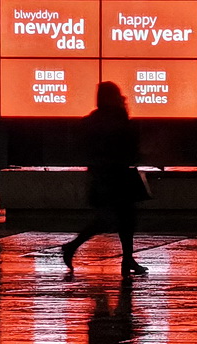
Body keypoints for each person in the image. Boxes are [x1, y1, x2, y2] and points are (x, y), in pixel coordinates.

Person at [61, 81, 148, 276]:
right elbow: (130, 146)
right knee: (119, 219)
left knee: (122, 219)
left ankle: (125, 258)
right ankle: (74, 247)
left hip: (106, 174)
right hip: (116, 175)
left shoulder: (94, 121)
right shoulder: (118, 119)